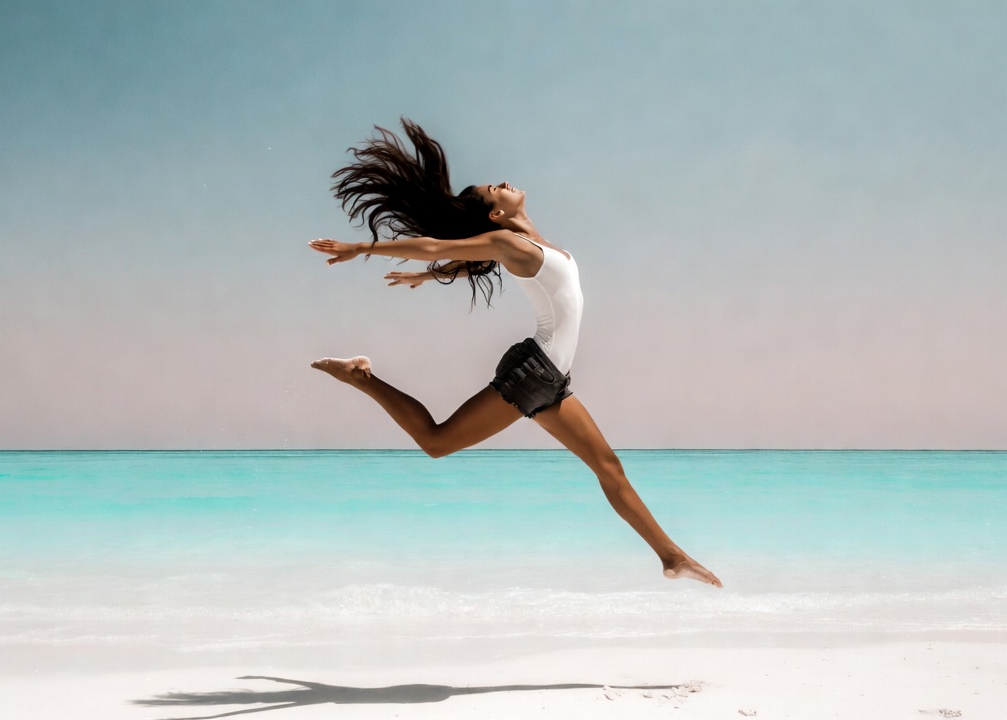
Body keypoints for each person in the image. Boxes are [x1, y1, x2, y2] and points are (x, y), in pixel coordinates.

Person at [308, 119, 722, 587]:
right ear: (495, 216)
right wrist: (361, 247)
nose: (502, 183)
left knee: (609, 467)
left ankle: (671, 556)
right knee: (436, 442)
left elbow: (478, 262)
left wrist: (430, 277)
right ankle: (361, 377)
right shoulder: (510, 242)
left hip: (550, 379)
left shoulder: (528, 247)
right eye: (493, 190)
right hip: (534, 373)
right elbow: (435, 245)